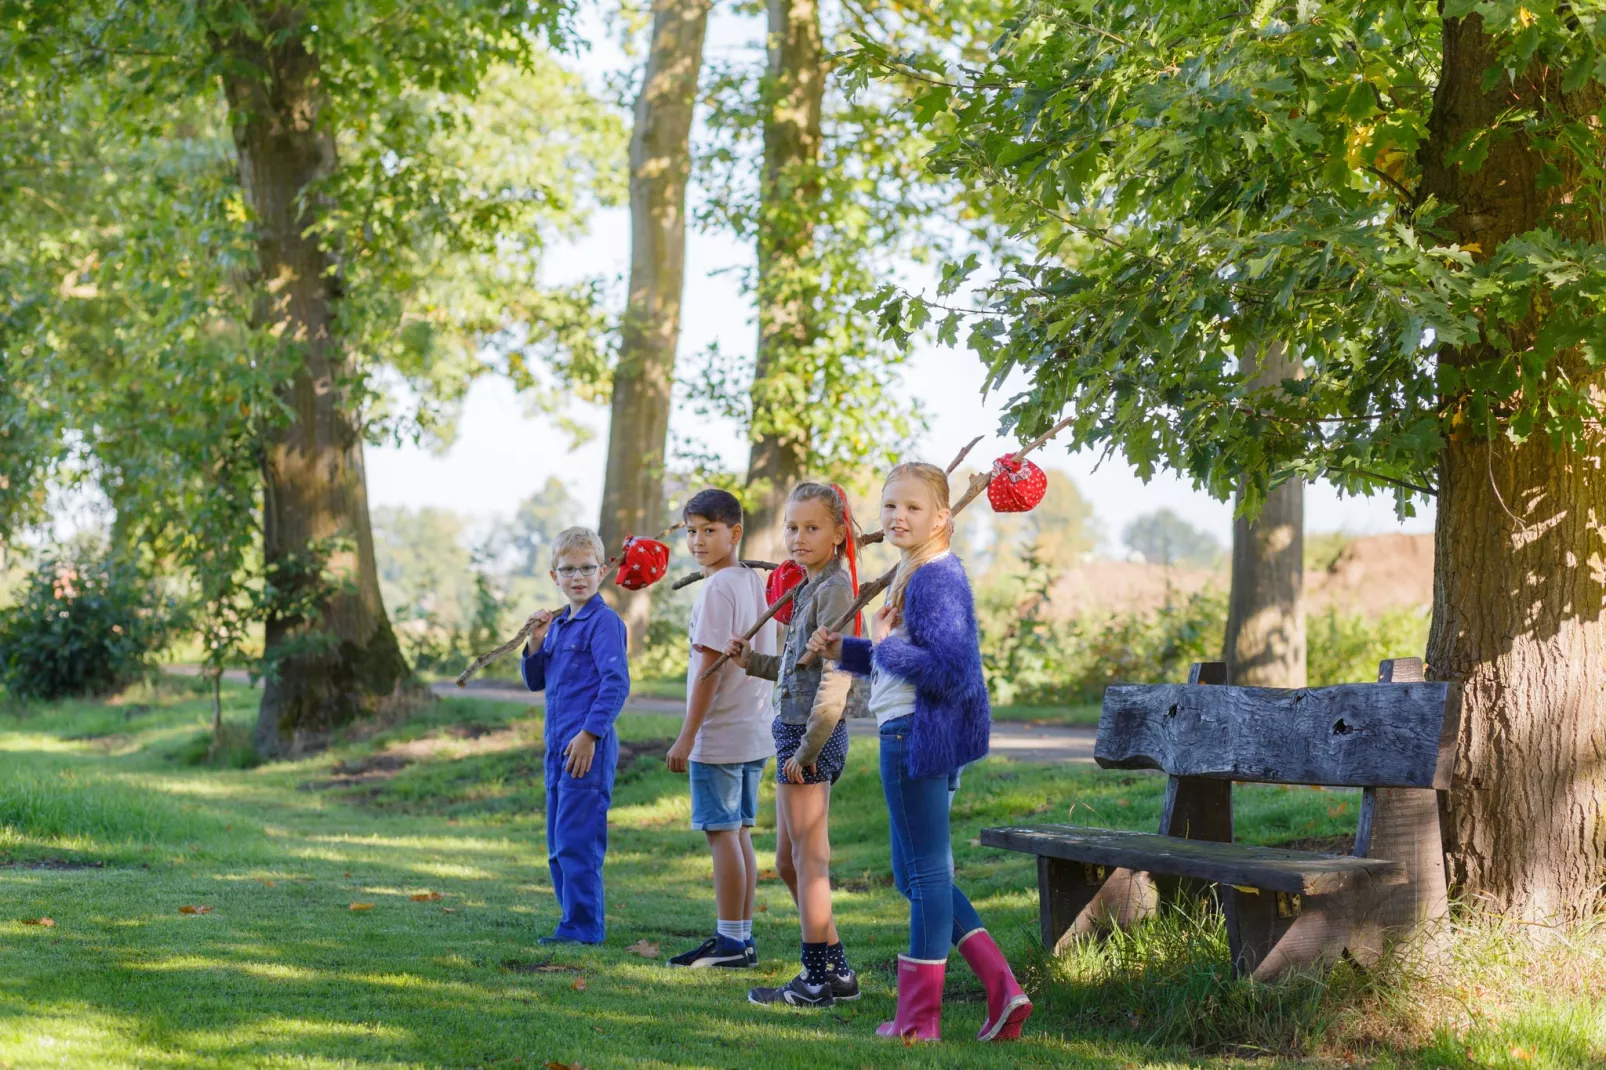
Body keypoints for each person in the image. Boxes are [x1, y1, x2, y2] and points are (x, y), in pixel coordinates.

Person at [808, 462, 1032, 1043]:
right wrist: (848, 650)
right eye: (889, 507)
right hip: (911, 724)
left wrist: (880, 646)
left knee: (926, 872)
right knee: (914, 875)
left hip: (914, 734)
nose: (897, 517)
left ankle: (917, 1023)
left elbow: (952, 673)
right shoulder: (917, 569)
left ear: (942, 516)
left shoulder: (935, 577)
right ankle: (1002, 988)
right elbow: (900, 660)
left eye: (911, 508)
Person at [725, 483, 867, 1008]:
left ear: (837, 534)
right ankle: (841, 973)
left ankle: (814, 980)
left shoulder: (835, 588)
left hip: (812, 737)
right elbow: (794, 670)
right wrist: (750, 662)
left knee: (809, 860)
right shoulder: (807, 585)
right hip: (792, 731)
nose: (798, 536)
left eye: (812, 527)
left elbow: (837, 678)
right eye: (791, 526)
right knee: (788, 862)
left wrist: (806, 751)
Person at [666, 489, 778, 969]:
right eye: (691, 531)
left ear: (735, 533)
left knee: (722, 834)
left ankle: (732, 942)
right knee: (739, 834)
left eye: (710, 531)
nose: (698, 541)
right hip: (753, 731)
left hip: (721, 733)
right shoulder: (751, 580)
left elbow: (710, 668)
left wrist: (687, 737)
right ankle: (739, 937)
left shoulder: (717, 588)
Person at [519, 526, 630, 946]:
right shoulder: (560, 624)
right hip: (557, 749)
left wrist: (589, 735)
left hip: (587, 749)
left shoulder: (603, 623)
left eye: (586, 568)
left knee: (577, 843)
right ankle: (571, 920)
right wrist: (534, 642)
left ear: (602, 570)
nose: (578, 577)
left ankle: (583, 928)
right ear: (554, 576)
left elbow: (615, 683)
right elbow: (536, 681)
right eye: (568, 570)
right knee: (556, 845)